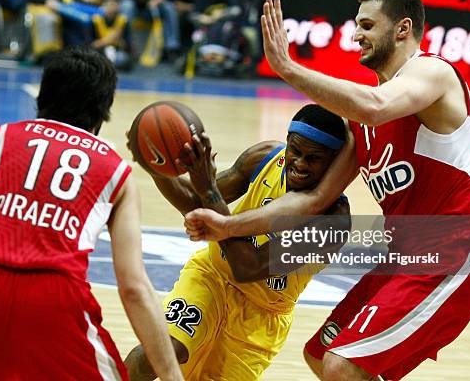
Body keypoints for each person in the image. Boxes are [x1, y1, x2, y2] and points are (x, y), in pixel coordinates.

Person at [185, 0, 470, 381]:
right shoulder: (360, 125)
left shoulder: (432, 72)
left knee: (342, 366)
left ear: (401, 29)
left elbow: (376, 105)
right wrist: (228, 225)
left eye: (367, 24)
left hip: (452, 253)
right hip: (404, 257)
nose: (355, 35)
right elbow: (313, 200)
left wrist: (288, 68)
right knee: (321, 355)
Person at [0, 46, 183, 381]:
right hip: (54, 303)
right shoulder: (117, 172)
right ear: (104, 111)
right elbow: (134, 288)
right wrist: (172, 376)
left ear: (42, 96)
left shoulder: (1, 137)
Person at [125, 104, 351, 380]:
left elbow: (249, 266)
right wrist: (156, 166)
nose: (300, 164)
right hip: (211, 277)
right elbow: (197, 206)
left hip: (261, 314)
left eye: (314, 158)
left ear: (334, 162)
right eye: (296, 151)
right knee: (155, 353)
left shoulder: (333, 223)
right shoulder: (264, 158)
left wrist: (208, 189)